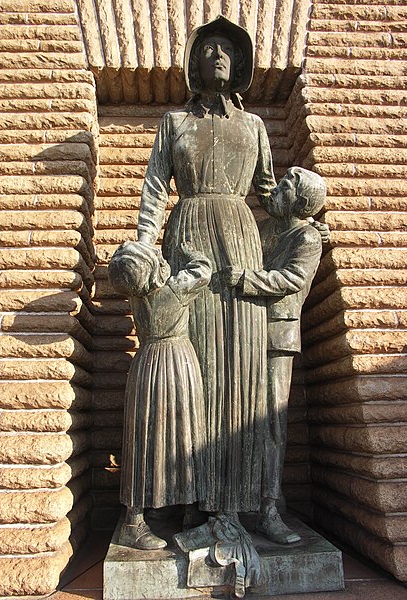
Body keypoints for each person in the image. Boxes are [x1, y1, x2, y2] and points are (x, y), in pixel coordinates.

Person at [137, 15, 277, 516]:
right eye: (208, 48)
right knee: (192, 365)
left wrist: (306, 218)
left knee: (242, 369)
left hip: (240, 243)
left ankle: (244, 498)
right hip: (190, 239)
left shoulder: (255, 125)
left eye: (226, 49)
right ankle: (192, 496)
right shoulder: (175, 124)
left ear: (238, 63)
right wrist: (144, 247)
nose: (217, 54)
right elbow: (156, 189)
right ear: (195, 63)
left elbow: (269, 194)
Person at [222, 167, 326, 543]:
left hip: (276, 336)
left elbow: (292, 280)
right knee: (234, 416)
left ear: (299, 200)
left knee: (270, 426)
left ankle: (269, 510)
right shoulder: (266, 228)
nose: (275, 190)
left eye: (284, 187)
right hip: (245, 329)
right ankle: (227, 505)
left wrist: (244, 279)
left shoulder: (307, 236)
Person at [108, 241, 212, 550]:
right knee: (186, 436)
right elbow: (203, 272)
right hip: (178, 364)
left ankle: (140, 516)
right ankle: (186, 512)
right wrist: (192, 251)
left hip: (146, 365)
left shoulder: (135, 294)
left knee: (145, 441)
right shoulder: (176, 287)